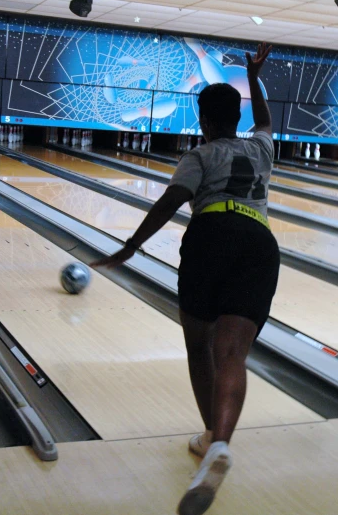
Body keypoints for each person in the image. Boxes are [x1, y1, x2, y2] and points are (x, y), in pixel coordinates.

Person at [92, 43, 279, 515]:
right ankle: (218, 444)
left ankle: (212, 440)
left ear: (204, 119)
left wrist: (131, 247)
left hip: (211, 234)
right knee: (233, 351)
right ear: (236, 117)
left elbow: (173, 199)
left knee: (201, 347)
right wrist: (253, 76)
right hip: (259, 242)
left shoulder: (200, 155)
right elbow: (265, 120)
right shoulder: (261, 146)